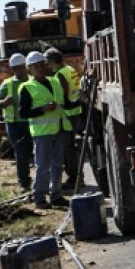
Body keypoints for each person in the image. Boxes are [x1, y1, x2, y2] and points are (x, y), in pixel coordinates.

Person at [18, 51, 80, 209]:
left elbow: (65, 104)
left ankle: (56, 195)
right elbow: (22, 113)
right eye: (35, 66)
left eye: (41, 65)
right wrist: (42, 109)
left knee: (58, 165)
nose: (39, 68)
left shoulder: (55, 82)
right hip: (42, 132)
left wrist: (81, 101)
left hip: (59, 129)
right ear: (29, 69)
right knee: (43, 166)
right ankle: (39, 197)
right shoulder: (26, 87)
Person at [0, 53, 32, 192]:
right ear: (12, 69)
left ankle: (42, 181)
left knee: (38, 152)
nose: (19, 71)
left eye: (21, 68)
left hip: (33, 122)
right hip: (14, 124)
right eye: (16, 68)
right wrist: (3, 102)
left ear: (25, 67)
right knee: (21, 153)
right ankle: (24, 182)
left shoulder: (32, 81)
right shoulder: (7, 84)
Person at [43, 47, 81, 190]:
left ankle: (74, 177)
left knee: (68, 148)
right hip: (76, 111)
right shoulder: (70, 69)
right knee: (71, 146)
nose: (47, 66)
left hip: (68, 114)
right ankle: (76, 176)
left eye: (48, 62)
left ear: (53, 61)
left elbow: (64, 95)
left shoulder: (60, 75)